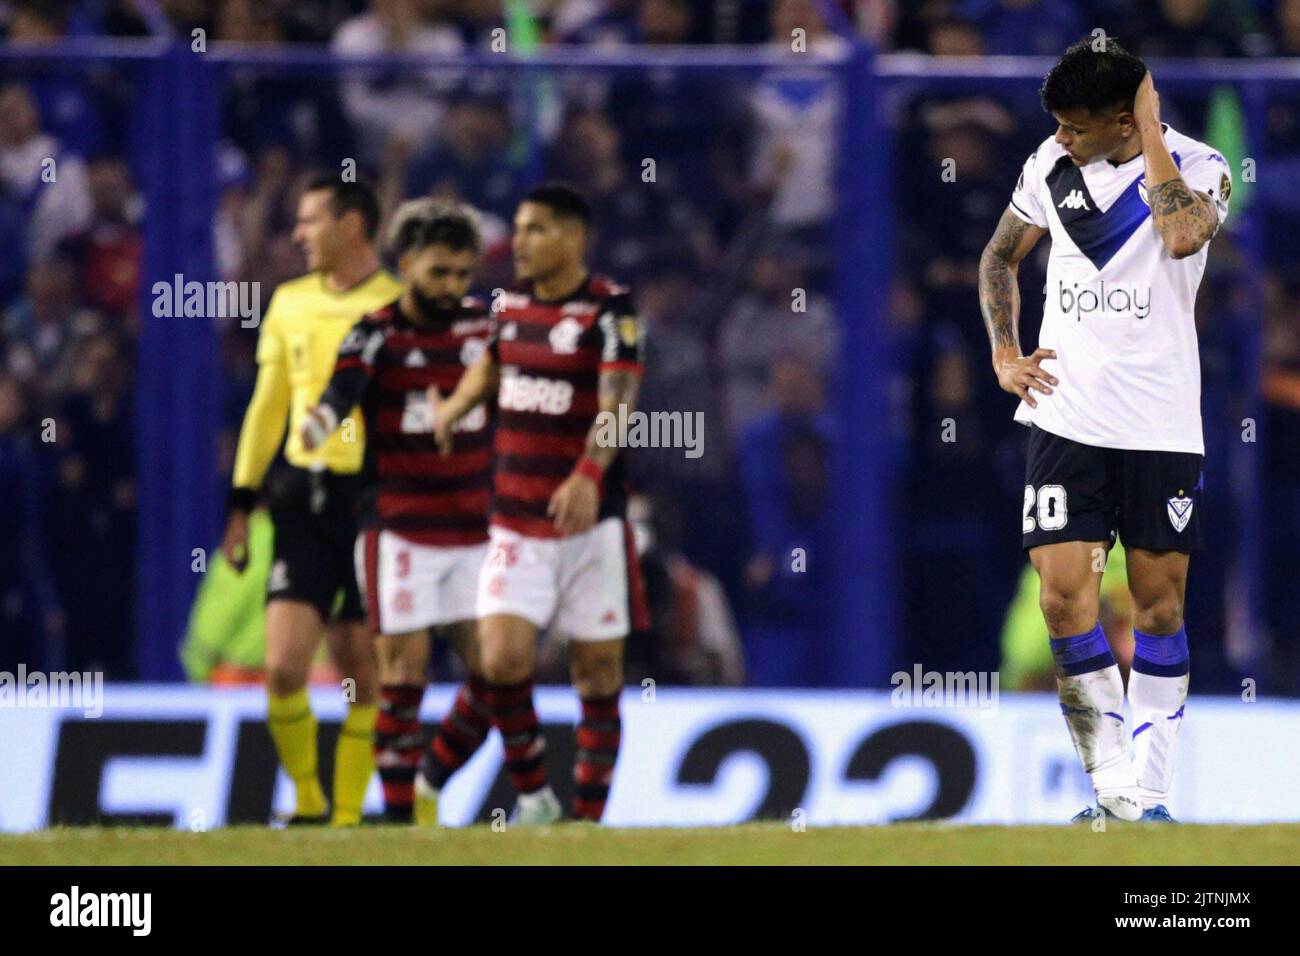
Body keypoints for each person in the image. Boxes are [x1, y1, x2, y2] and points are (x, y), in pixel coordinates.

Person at [978, 38, 1231, 823]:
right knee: (1061, 604)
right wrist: (1004, 352)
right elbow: (998, 256)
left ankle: (1151, 798)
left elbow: (1184, 237)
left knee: (1158, 609)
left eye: (1076, 127)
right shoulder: (1046, 169)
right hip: (1067, 418)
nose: (1061, 139)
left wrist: (1151, 132)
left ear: (1125, 120)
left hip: (1159, 424)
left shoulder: (1201, 167)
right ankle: (1115, 794)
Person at [430, 183, 648, 824]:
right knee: (499, 660)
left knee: (599, 674)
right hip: (515, 524)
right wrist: (456, 406)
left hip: (591, 524)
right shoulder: (508, 307)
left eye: (535, 230)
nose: (517, 242)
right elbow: (491, 365)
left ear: (573, 238)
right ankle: (535, 796)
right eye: (518, 229)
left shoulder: (611, 311)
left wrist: (586, 473)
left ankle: (584, 826)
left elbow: (619, 404)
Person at [299, 199, 497, 824]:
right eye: (440, 272)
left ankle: (433, 776)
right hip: (400, 527)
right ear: (406, 264)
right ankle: (400, 824)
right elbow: (341, 390)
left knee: (498, 675)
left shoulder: (484, 329)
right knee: (403, 676)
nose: (453, 287)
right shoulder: (376, 331)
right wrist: (319, 423)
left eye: (463, 274)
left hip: (473, 530)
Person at [221, 176, 402, 826]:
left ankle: (348, 817)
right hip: (301, 500)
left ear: (352, 224)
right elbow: (267, 410)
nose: (298, 233)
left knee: (360, 669)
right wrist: (241, 505)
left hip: (372, 500)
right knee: (282, 667)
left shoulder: (398, 305)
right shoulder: (290, 304)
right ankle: (306, 799)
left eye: (310, 220)